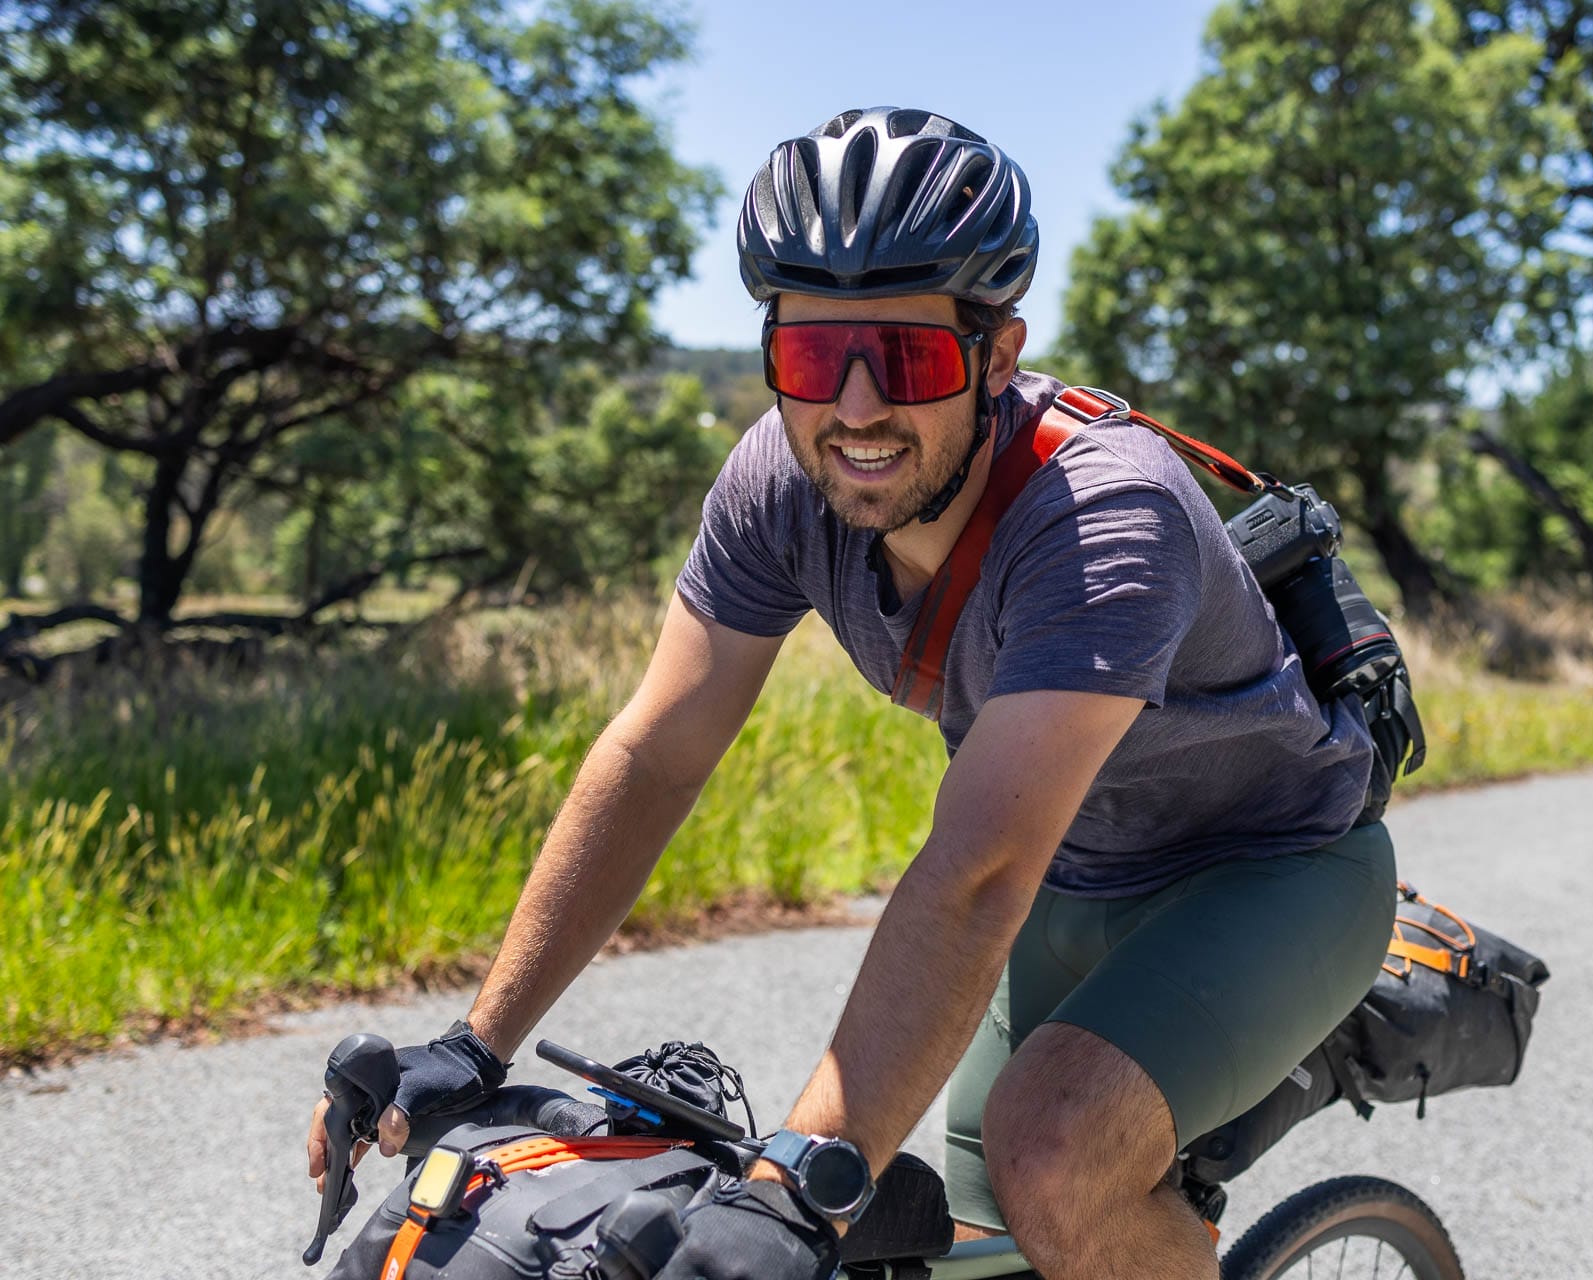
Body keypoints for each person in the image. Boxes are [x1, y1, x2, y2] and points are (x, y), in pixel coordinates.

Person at [308, 106, 1396, 1280]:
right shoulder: (777, 480)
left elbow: (975, 874)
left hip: (1269, 867)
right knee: (964, 1251)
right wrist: (477, 1043)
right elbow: (656, 753)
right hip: (1071, 875)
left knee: (1050, 1168)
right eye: (817, 359)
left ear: (1000, 352)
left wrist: (793, 1181)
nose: (859, 409)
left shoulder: (1104, 517)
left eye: (912, 358)